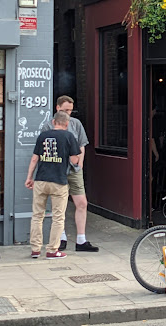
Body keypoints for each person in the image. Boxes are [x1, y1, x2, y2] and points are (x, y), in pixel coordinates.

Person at [41, 95, 99, 252]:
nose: (68, 113)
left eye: (70, 110)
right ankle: (62, 237)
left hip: (74, 169)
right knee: (59, 205)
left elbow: (82, 145)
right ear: (57, 108)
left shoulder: (76, 124)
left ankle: (81, 240)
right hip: (57, 170)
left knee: (82, 203)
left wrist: (80, 163)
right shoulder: (47, 126)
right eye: (65, 110)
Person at [26, 111, 81, 259]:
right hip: (59, 181)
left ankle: (35, 249)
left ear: (53, 122)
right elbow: (74, 159)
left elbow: (34, 159)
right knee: (58, 217)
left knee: (37, 215)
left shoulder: (42, 136)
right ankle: (52, 250)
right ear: (67, 124)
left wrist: (29, 177)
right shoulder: (69, 136)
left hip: (41, 180)